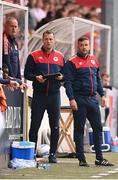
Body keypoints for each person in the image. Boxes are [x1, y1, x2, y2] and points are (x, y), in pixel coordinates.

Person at [64, 36, 114, 167]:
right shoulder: (71, 62)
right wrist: (71, 99)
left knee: (98, 128)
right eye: (82, 45)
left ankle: (99, 158)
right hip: (79, 99)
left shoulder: (94, 61)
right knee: (80, 129)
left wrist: (102, 95)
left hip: (93, 99)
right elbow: (67, 82)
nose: (84, 47)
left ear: (89, 46)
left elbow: (97, 80)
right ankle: (81, 159)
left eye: (86, 45)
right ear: (77, 46)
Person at [24, 30, 64, 163]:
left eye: (51, 39)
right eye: (46, 39)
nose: (48, 41)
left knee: (55, 126)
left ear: (54, 41)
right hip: (39, 95)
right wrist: (36, 78)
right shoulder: (34, 56)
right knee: (35, 125)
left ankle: (53, 154)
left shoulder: (60, 56)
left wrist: (62, 77)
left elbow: (65, 76)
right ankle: (32, 154)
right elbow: (27, 74)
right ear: (42, 40)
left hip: (54, 95)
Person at [2, 16, 26, 89]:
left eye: (15, 26)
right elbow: (6, 61)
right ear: (5, 27)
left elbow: (17, 62)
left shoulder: (15, 42)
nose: (14, 29)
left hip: (14, 81)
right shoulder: (4, 40)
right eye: (11, 26)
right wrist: (13, 78)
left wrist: (20, 80)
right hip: (7, 81)